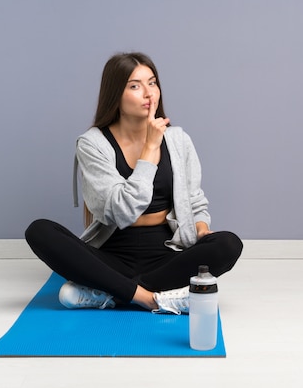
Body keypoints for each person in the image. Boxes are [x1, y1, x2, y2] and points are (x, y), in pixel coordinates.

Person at [25, 52, 242, 314]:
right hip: (111, 257)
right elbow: (123, 212)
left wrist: (202, 229)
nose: (149, 93)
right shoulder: (93, 144)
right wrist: (150, 149)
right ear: (116, 93)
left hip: (167, 255)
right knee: (39, 231)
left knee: (228, 244)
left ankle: (111, 293)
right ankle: (152, 299)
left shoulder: (178, 140)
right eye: (135, 86)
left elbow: (195, 200)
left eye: (152, 83)